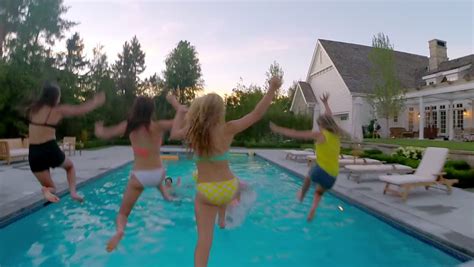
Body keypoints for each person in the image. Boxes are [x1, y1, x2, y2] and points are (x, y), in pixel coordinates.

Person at [167, 76, 282, 267]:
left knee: (204, 242)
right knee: (224, 195)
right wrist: (271, 89)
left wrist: (179, 112)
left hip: (207, 192)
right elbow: (255, 114)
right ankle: (222, 221)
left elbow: (173, 133)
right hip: (229, 188)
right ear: (220, 112)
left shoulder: (193, 132)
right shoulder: (228, 129)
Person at [94, 96, 180, 252]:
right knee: (160, 183)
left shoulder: (128, 126)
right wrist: (177, 106)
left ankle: (120, 231)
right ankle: (169, 197)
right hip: (158, 173)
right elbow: (180, 123)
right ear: (151, 111)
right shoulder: (158, 126)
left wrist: (99, 128)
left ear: (135, 109)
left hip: (140, 177)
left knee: (123, 214)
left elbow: (104, 134)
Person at [270, 93, 346, 222]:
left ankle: (301, 194)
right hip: (333, 176)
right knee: (318, 192)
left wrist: (278, 129)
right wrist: (326, 103)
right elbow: (329, 116)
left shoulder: (320, 135)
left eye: (319, 125)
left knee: (309, 176)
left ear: (322, 126)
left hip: (321, 171)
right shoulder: (336, 135)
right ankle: (313, 209)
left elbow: (297, 134)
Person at [27, 81, 105, 203]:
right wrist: (95, 102)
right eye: (59, 96)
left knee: (51, 187)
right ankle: (73, 193)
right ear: (55, 97)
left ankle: (46, 191)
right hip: (49, 148)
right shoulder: (57, 110)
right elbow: (79, 110)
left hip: (34, 152)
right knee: (70, 167)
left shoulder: (34, 110)